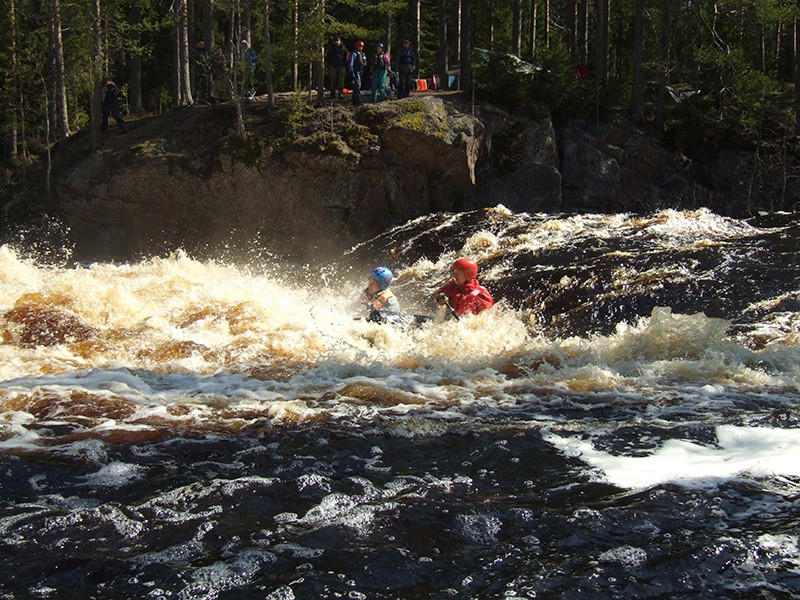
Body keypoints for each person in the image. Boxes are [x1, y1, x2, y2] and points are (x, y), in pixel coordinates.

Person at [348, 41, 366, 105]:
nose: (360, 48)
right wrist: (352, 71)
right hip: (355, 71)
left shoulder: (362, 54)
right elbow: (351, 63)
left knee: (358, 86)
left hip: (360, 72)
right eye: (359, 46)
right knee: (357, 86)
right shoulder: (354, 54)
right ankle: (357, 100)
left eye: (361, 47)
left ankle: (354, 100)